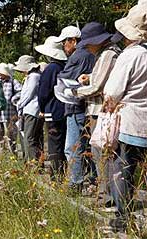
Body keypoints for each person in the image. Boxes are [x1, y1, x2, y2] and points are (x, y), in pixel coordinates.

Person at [103, 4, 147, 231]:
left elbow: (112, 91)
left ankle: (123, 218)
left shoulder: (131, 55)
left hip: (131, 121)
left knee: (124, 170)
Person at [69, 22, 122, 200]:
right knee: (101, 151)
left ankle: (107, 194)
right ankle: (107, 192)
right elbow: (102, 77)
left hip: (101, 110)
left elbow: (98, 86)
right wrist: (89, 77)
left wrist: (75, 91)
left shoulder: (108, 55)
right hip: (101, 108)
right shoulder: (107, 53)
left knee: (101, 151)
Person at [53, 26, 95, 193]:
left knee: (73, 147)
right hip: (82, 106)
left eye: (65, 42)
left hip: (75, 106)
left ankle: (75, 183)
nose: (64, 45)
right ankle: (91, 181)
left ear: (74, 41)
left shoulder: (79, 56)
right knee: (86, 146)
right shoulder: (88, 55)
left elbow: (65, 78)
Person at [35, 36, 68, 182]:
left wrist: (42, 108)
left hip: (52, 110)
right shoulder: (64, 66)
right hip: (64, 109)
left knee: (54, 144)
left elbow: (43, 92)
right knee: (62, 142)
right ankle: (63, 173)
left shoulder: (51, 69)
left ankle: (56, 177)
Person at [15, 55, 44, 162]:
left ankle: (33, 163)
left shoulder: (34, 77)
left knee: (29, 138)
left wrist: (20, 104)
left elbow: (29, 94)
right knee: (31, 138)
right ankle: (34, 161)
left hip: (32, 110)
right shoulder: (32, 76)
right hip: (30, 110)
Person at [0, 63, 22, 154]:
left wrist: (13, 99)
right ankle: (2, 154)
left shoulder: (13, 81)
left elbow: (21, 92)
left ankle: (13, 154)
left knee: (11, 135)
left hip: (10, 114)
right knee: (0, 135)